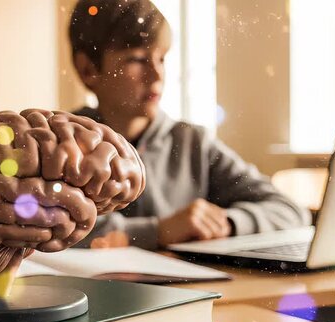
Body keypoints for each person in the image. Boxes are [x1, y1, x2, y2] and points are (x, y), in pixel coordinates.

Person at [68, 0, 310, 250]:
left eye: (161, 58)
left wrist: (227, 223)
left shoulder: (194, 143)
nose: (157, 74)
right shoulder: (66, 145)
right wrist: (159, 231)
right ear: (88, 69)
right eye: (138, 59)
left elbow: (290, 211)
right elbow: (46, 228)